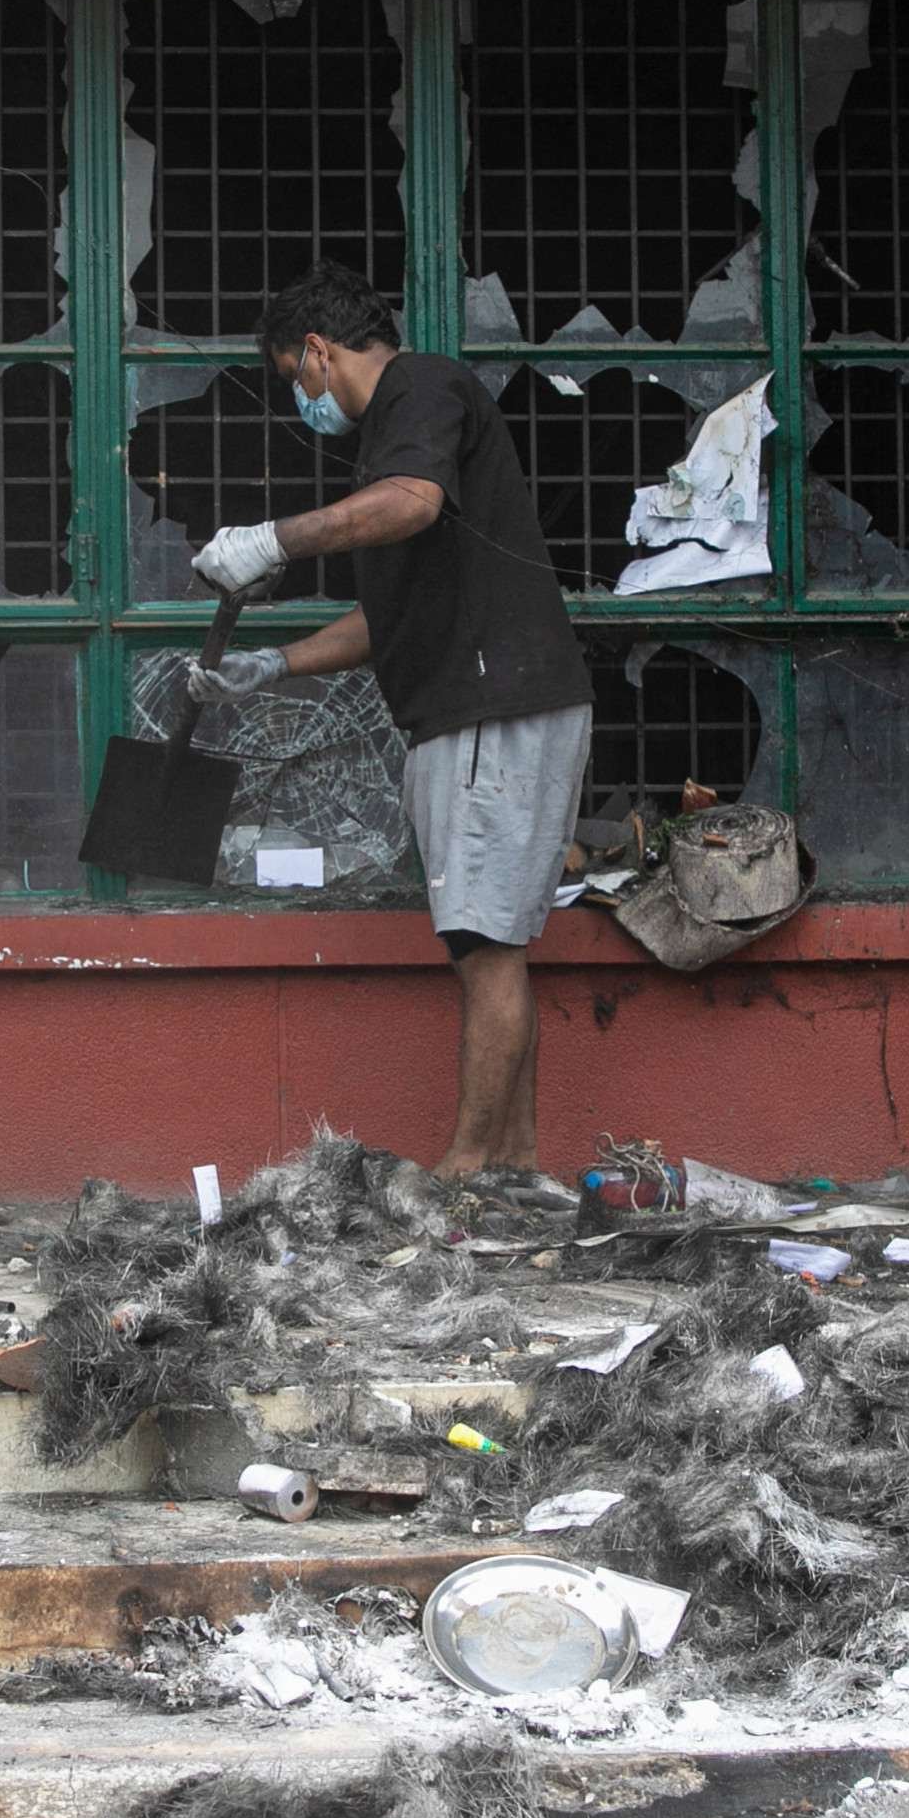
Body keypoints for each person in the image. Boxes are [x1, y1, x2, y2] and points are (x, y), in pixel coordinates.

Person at [185, 260, 594, 1182]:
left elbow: (408, 508)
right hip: (482, 705)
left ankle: (468, 1171)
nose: (304, 403)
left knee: (484, 945)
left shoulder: (419, 389)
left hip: (491, 706)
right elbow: (392, 619)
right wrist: (271, 666)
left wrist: (273, 538)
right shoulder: (397, 443)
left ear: (319, 353)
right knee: (488, 942)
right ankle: (515, 1167)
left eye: (296, 380)